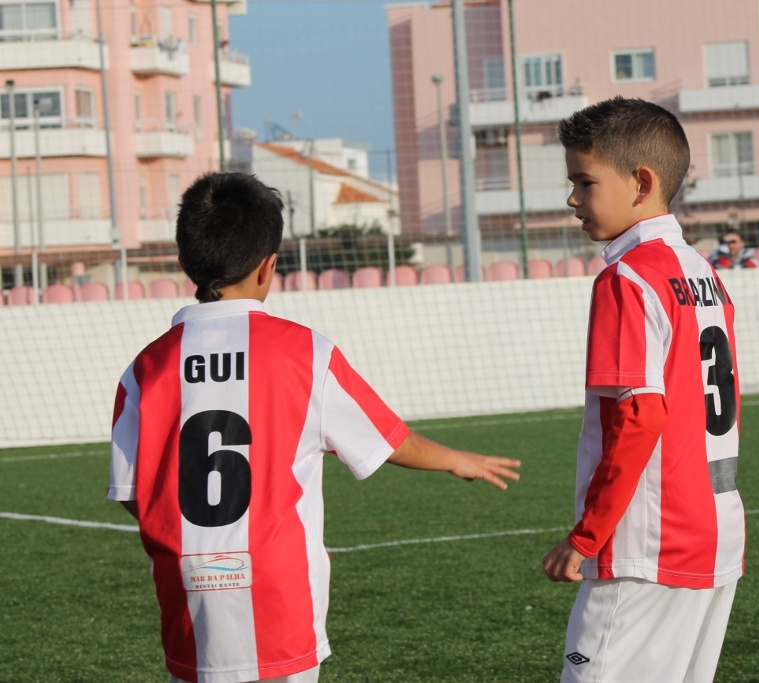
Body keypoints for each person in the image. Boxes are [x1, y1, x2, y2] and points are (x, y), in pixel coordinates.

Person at [108, 172, 521, 683]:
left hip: (187, 595)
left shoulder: (146, 368)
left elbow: (134, 492)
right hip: (281, 594)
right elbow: (387, 439)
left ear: (183, 260)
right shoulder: (304, 352)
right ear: (269, 266)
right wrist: (457, 459)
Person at [542, 96, 745, 683]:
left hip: (647, 545)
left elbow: (640, 416)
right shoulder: (703, 272)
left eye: (585, 182)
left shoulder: (626, 278)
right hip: (715, 532)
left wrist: (587, 537)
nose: (573, 198)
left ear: (642, 183)